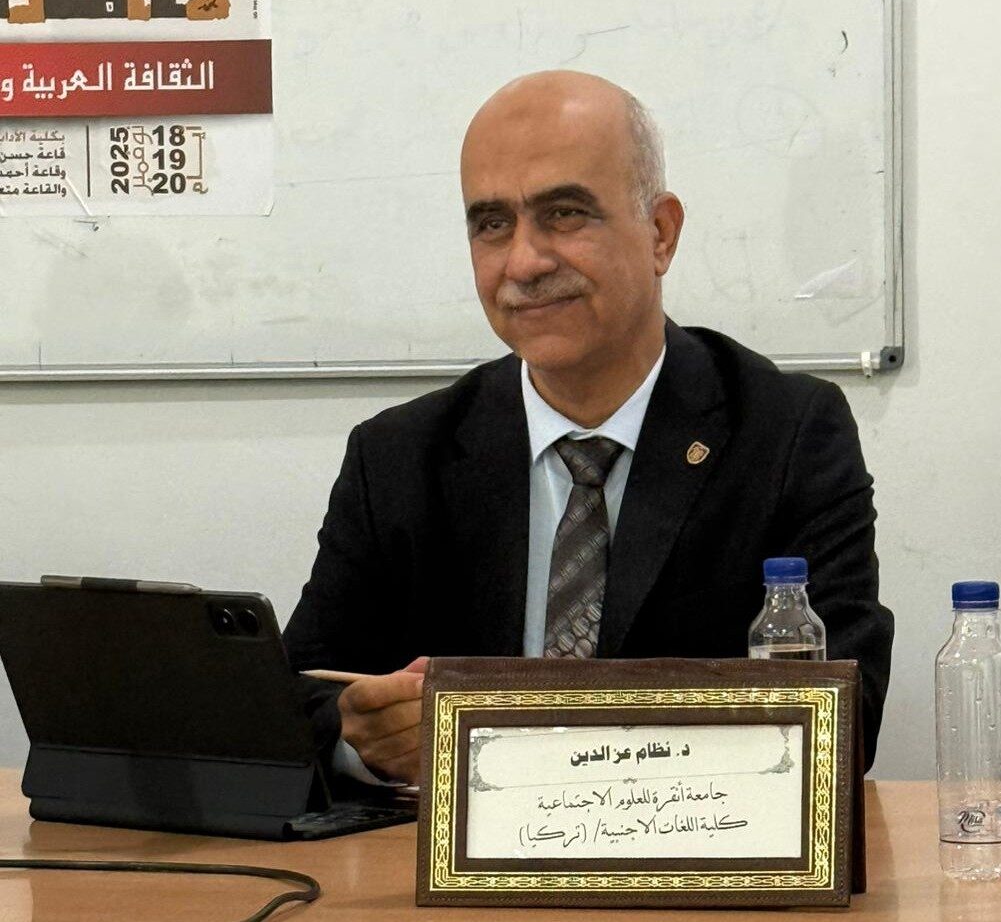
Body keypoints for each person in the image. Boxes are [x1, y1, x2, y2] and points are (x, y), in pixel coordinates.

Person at [283, 70, 893, 784]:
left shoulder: (786, 434)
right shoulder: (398, 457)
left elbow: (846, 720)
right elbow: (296, 696)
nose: (524, 262)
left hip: (688, 840)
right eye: (492, 224)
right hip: (458, 852)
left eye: (565, 214)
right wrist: (361, 738)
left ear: (660, 233)